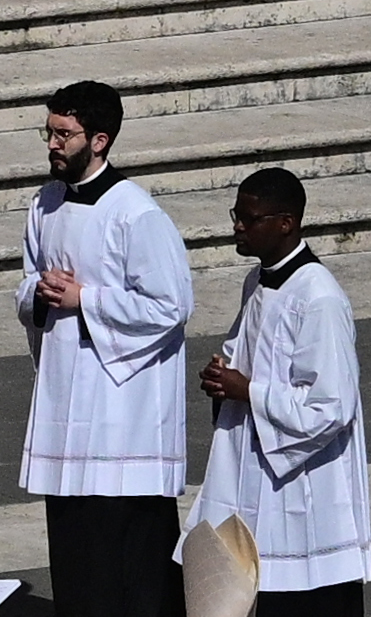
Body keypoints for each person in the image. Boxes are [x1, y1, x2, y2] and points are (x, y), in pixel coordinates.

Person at [19, 81, 192, 617]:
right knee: (76, 549)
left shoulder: (135, 213)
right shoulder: (44, 203)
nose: (53, 144)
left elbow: (171, 305)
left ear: (99, 140)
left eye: (64, 134)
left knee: (127, 552)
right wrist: (40, 293)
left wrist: (85, 299)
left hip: (122, 410)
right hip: (66, 398)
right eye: (49, 132)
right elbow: (27, 281)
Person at [191, 168, 369, 615]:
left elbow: (331, 406)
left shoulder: (319, 298)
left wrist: (246, 390)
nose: (237, 226)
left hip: (305, 480)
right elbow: (244, 353)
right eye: (236, 215)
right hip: (257, 467)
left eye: (249, 218)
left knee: (304, 598)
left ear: (286, 223)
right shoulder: (257, 282)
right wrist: (221, 377)